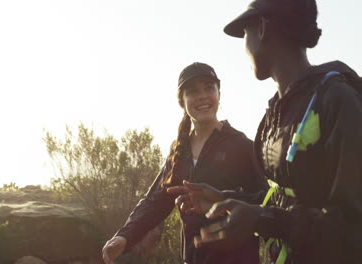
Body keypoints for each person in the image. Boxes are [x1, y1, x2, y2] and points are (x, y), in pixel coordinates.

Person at [169, 1, 362, 263]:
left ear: (263, 28)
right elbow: (287, 200)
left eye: (245, 33)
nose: (244, 47)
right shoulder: (279, 110)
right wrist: (225, 199)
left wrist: (262, 219)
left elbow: (361, 231)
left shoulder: (339, 101)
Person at [102, 62, 266, 264]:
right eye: (193, 91)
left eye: (209, 88)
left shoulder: (242, 145)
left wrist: (220, 202)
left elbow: (265, 202)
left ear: (219, 94)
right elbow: (157, 200)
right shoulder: (179, 150)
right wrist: (125, 237)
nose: (203, 96)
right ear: (182, 101)